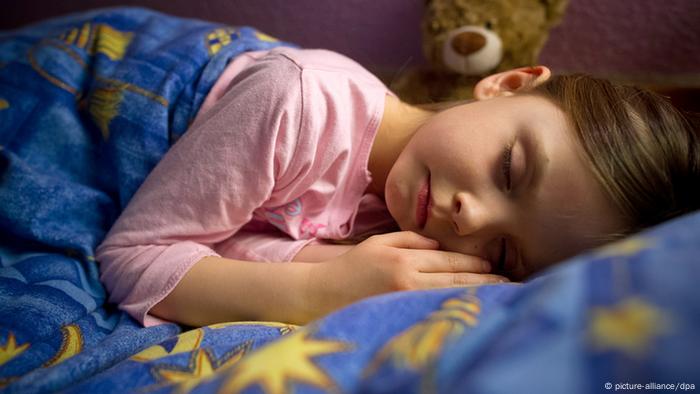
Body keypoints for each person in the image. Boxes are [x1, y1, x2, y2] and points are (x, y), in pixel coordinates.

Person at [95, 46, 699, 328]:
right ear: (509, 83)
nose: (471, 218)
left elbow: (226, 245)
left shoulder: (405, 231)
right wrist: (318, 289)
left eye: (504, 253)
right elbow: (130, 260)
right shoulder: (298, 102)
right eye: (510, 170)